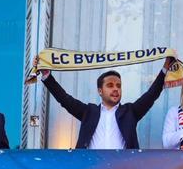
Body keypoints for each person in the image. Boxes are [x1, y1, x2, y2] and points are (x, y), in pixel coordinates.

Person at [37, 57, 175, 149]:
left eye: (118, 85)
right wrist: (47, 76)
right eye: (110, 85)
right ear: (100, 91)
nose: (115, 89)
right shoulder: (88, 112)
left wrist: (165, 69)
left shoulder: (130, 112)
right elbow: (64, 99)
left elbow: (151, 95)